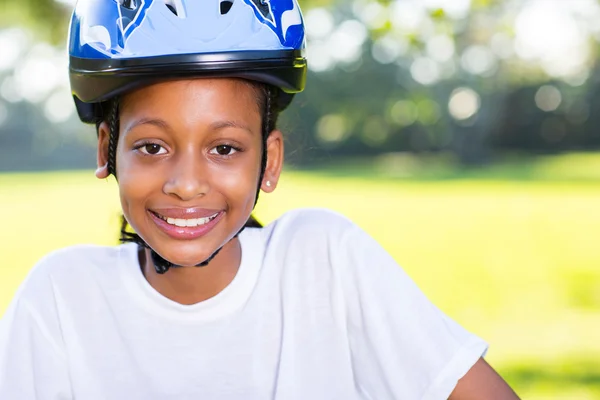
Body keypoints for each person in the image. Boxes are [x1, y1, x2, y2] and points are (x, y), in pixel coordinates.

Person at [0, 0, 519, 398]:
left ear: (269, 161)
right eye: (152, 146)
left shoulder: (324, 261)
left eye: (224, 148)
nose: (186, 182)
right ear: (108, 150)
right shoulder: (60, 298)